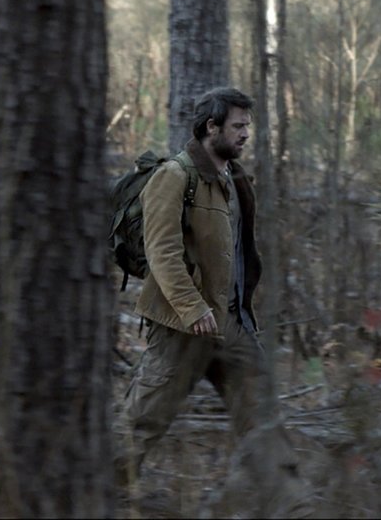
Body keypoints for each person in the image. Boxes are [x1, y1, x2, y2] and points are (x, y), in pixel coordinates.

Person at [119, 87, 297, 488]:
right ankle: (95, 496)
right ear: (211, 127)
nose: (246, 133)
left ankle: (293, 506)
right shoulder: (174, 176)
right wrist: (191, 308)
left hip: (230, 327)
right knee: (139, 428)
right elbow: (161, 250)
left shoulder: (233, 179)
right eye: (237, 126)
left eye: (247, 126)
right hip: (183, 328)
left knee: (263, 422)